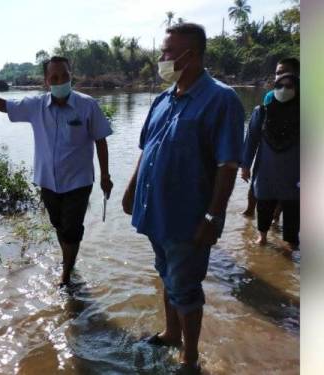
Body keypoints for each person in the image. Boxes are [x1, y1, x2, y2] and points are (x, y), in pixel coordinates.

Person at [121, 23, 244, 375]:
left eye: (168, 52)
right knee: (166, 275)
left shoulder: (221, 99)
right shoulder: (163, 99)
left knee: (186, 288)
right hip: (155, 213)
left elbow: (228, 164)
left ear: (191, 55)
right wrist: (131, 190)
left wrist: (212, 218)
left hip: (188, 218)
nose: (162, 59)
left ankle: (189, 359)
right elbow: (146, 150)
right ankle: (171, 333)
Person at [0, 56, 114, 286]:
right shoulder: (35, 106)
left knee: (72, 229)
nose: (60, 80)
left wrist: (105, 175)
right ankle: (68, 259)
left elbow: (101, 140)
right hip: (48, 181)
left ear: (71, 75)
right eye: (54, 77)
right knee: (59, 226)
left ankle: (66, 275)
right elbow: (3, 105)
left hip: (79, 181)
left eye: (65, 76)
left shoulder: (88, 105)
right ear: (47, 81)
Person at [241, 72, 300, 254]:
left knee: (293, 206)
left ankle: (290, 243)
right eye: (279, 86)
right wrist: (245, 165)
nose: (283, 90)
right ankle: (262, 235)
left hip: (294, 170)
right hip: (267, 167)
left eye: (289, 86)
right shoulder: (262, 111)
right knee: (264, 200)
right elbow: (251, 140)